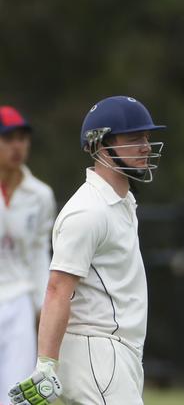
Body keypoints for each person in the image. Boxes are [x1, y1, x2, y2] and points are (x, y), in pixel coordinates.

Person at [8, 96, 165, 405]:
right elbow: (57, 289)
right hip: (97, 354)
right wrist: (46, 364)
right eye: (134, 138)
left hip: (119, 354)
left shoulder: (123, 202)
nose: (146, 146)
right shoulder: (87, 211)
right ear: (101, 146)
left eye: (147, 137)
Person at [0, 106, 56, 405]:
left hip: (19, 299)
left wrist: (41, 307)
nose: (17, 146)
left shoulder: (40, 195)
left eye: (22, 138)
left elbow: (38, 252)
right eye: (8, 138)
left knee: (16, 394)